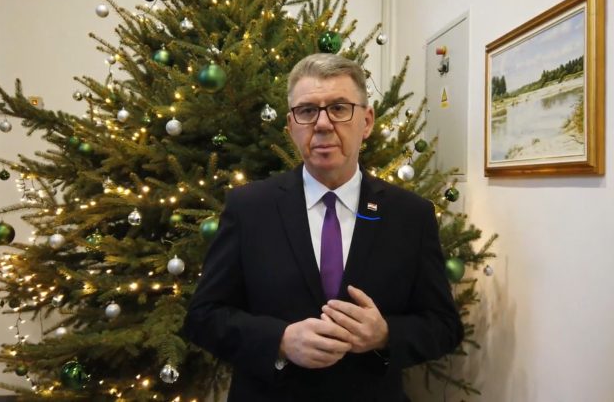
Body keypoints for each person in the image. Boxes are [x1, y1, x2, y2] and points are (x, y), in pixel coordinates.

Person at [186, 53, 463, 401]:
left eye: (339, 108)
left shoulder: (410, 215)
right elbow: (203, 317)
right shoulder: (249, 208)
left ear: (366, 121)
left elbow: (444, 326)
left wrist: (385, 334)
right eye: (307, 111)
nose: (322, 124)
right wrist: (280, 341)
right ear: (291, 126)